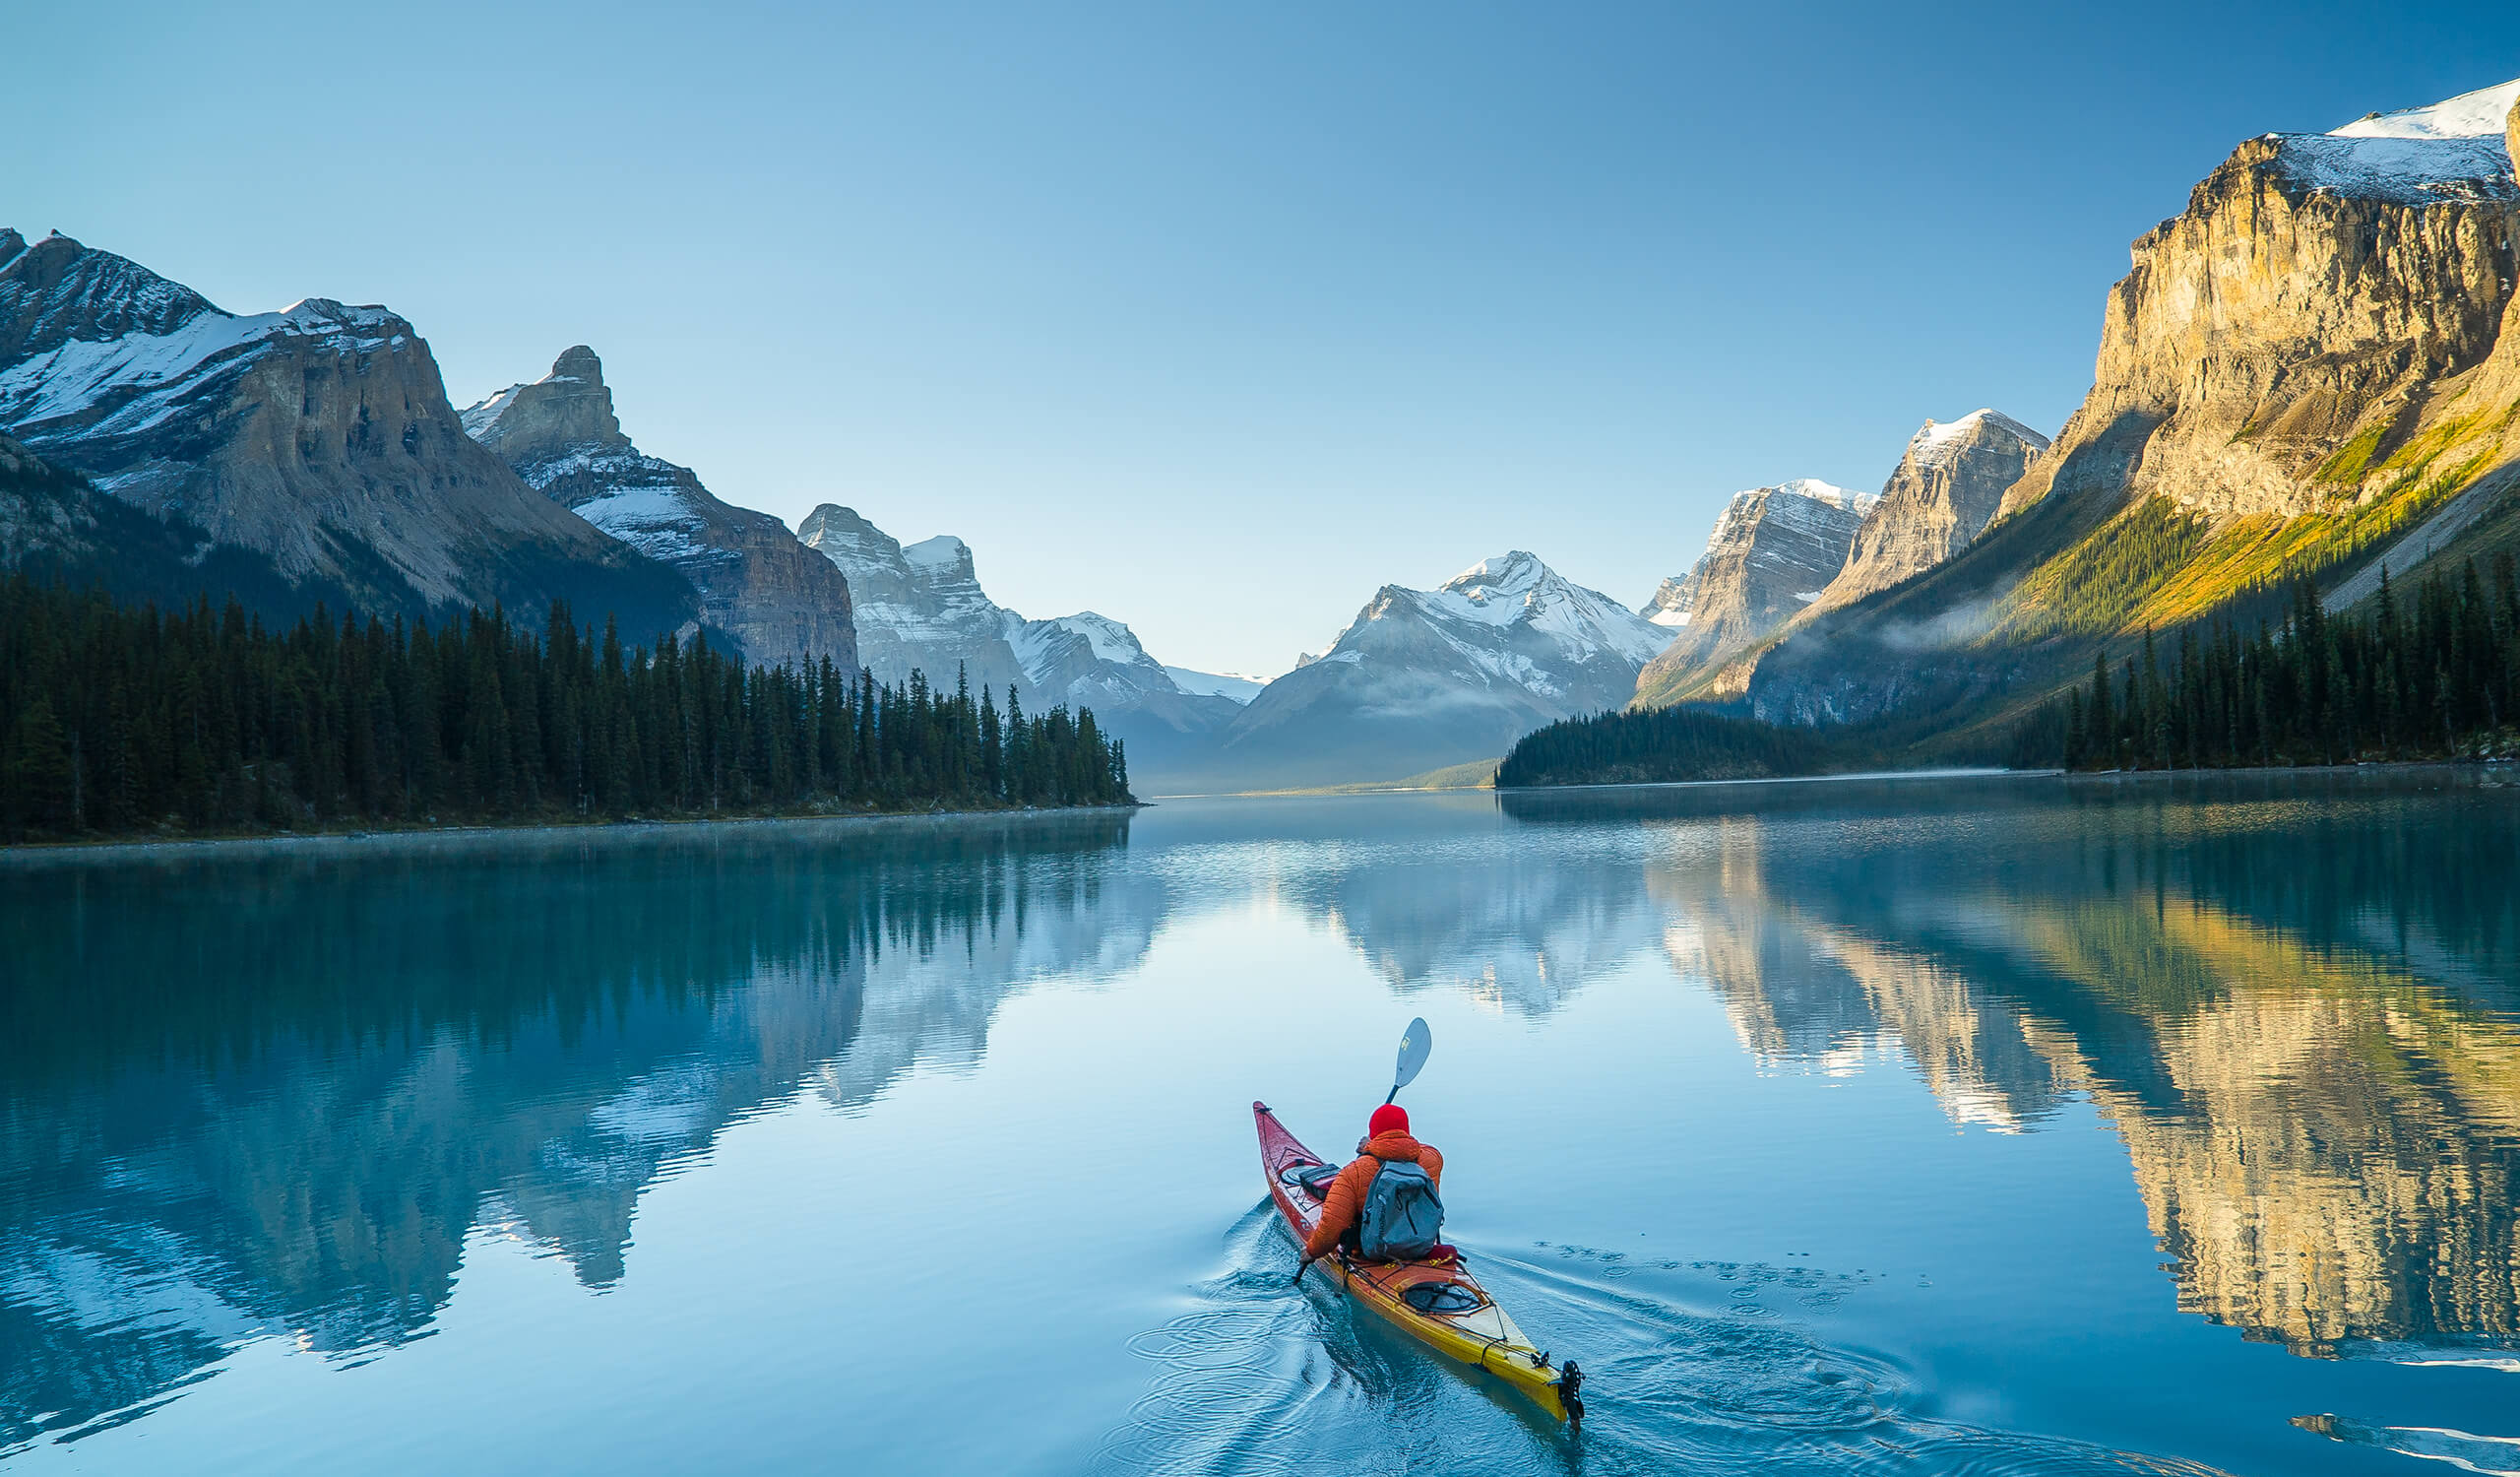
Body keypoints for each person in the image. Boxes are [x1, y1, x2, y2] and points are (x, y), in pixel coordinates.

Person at [1303, 1102, 1443, 1260]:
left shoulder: (1353, 1172)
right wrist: (1372, 1146)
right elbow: (1405, 1148)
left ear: (1373, 1133)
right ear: (1406, 1130)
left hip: (1371, 1253)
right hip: (1420, 1245)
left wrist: (1311, 1252)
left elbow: (1332, 1226)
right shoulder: (1432, 1159)